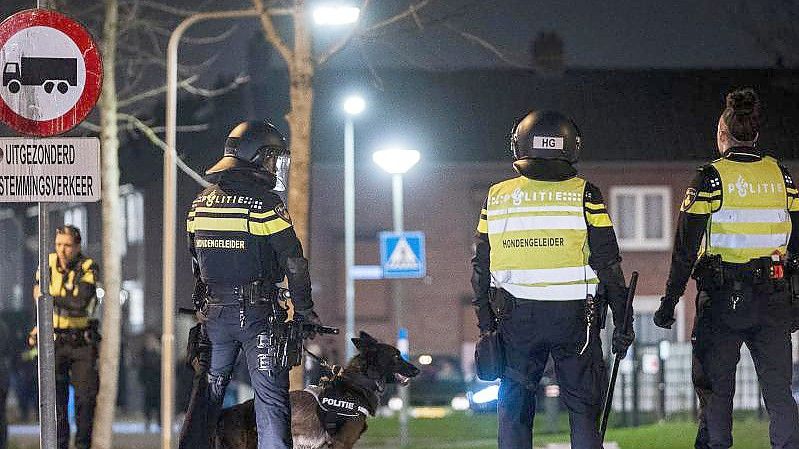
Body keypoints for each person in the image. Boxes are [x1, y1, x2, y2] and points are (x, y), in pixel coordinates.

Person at [472, 110, 634, 449]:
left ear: (519, 146)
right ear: (571, 147)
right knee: (582, 408)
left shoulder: (497, 196)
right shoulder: (586, 194)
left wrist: (486, 324)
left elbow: (480, 268)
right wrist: (623, 321)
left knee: (515, 411)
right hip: (575, 321)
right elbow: (609, 264)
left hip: (515, 321)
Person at [654, 88, 799, 449]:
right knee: (780, 395)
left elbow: (684, 251)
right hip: (774, 298)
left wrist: (669, 302)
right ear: (756, 133)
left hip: (722, 301)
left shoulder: (710, 179)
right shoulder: (782, 176)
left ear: (722, 135)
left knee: (717, 395)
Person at [184, 120, 320, 449]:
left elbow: (196, 260)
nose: (275, 166)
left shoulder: (200, 202)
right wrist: (305, 310)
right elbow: (294, 263)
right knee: (271, 403)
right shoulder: (265, 205)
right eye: (272, 158)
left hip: (214, 317)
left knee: (206, 400)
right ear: (256, 157)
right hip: (258, 317)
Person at [32, 225, 100, 449]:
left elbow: (80, 303)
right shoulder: (46, 265)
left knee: (85, 400)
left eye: (68, 245)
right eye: (59, 244)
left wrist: (48, 296)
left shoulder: (87, 267)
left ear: (77, 246)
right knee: (56, 403)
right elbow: (40, 306)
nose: (62, 250)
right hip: (56, 341)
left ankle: (82, 446)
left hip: (82, 341)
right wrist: (37, 328)